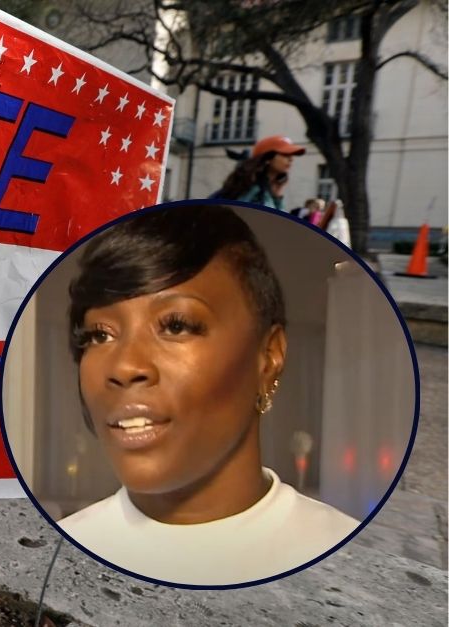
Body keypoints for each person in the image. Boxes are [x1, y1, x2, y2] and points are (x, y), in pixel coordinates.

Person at [57, 205, 358, 586]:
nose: (123, 366)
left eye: (176, 326)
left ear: (268, 357)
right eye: (99, 336)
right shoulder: (61, 552)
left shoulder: (345, 558)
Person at [213, 135, 306, 211]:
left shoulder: (272, 188)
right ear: (268, 158)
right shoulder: (250, 185)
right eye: (285, 154)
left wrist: (277, 197)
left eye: (292, 155)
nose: (291, 159)